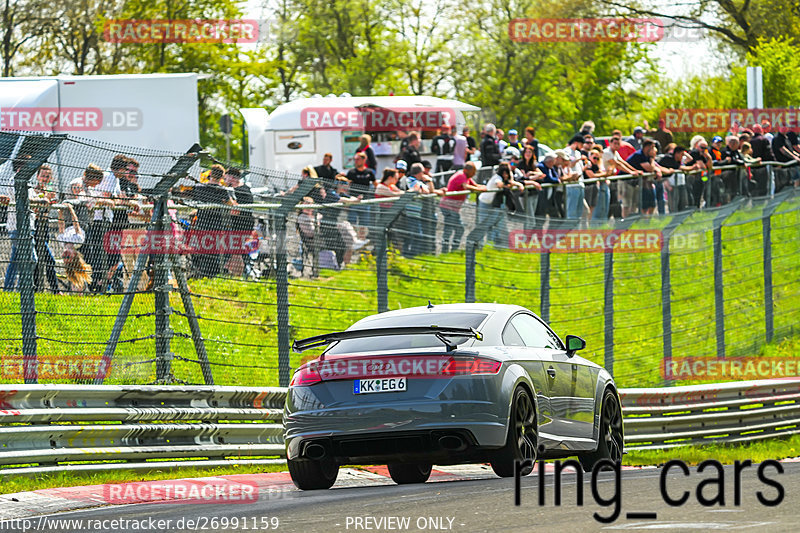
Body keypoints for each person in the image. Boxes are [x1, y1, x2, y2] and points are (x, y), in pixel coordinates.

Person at [191, 163, 235, 277]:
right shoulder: (222, 190)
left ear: (210, 174)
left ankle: (199, 273)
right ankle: (211, 275)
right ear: (222, 177)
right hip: (216, 224)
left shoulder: (199, 188)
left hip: (201, 223)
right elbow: (231, 205)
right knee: (213, 252)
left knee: (201, 250)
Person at [438, 162, 485, 253]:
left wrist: (485, 187)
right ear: (466, 170)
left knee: (456, 229)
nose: (474, 174)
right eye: (473, 172)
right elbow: (466, 186)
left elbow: (475, 185)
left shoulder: (467, 177)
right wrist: (481, 189)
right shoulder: (461, 175)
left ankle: (451, 250)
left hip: (453, 207)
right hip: (448, 206)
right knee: (452, 229)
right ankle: (446, 251)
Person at [478, 162, 523, 247]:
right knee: (483, 224)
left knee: (493, 223)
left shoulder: (504, 179)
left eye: (507, 172)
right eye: (504, 173)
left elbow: (511, 181)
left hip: (492, 203)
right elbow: (499, 184)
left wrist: (519, 184)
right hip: (485, 202)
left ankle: (490, 244)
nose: (506, 175)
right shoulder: (497, 178)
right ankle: (480, 244)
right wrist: (507, 185)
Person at [57, 203, 91, 294]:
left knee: (66, 202)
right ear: (75, 254)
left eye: (64, 258)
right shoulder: (78, 241)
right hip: (81, 221)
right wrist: (71, 210)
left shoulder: (61, 241)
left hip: (68, 223)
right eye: (68, 257)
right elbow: (76, 224)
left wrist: (60, 212)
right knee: (79, 202)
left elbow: (61, 225)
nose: (65, 256)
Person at [226, 167, 254, 277]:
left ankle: (247, 270)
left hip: (243, 225)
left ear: (232, 178)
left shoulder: (243, 190)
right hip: (234, 225)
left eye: (227, 176)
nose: (225, 178)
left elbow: (236, 211)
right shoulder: (230, 189)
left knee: (239, 248)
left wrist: (230, 202)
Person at [402, 162, 435, 257]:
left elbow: (430, 191)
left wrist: (429, 181)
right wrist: (424, 187)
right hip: (410, 212)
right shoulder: (410, 180)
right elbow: (425, 191)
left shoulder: (419, 182)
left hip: (416, 212)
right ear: (419, 173)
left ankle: (411, 255)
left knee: (415, 235)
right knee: (416, 235)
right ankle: (410, 255)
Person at [626, 139, 662, 215]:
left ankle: (648, 222)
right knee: (633, 205)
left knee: (652, 204)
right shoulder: (639, 155)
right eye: (652, 147)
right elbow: (650, 169)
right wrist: (652, 158)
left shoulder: (647, 156)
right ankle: (640, 221)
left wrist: (658, 170)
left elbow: (655, 167)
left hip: (643, 183)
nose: (654, 150)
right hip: (629, 182)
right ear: (647, 148)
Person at [345, 152, 376, 232]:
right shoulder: (351, 172)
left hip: (365, 202)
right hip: (353, 202)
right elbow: (346, 185)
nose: (356, 161)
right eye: (355, 160)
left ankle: (362, 240)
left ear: (364, 160)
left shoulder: (369, 172)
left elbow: (376, 184)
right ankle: (354, 240)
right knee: (352, 224)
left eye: (358, 159)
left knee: (364, 224)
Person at [296, 197, 321, 278]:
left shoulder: (314, 216)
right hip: (309, 241)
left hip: (317, 240)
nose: (309, 207)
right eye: (306, 204)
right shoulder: (303, 217)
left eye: (310, 204)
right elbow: (311, 233)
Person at [584, 148, 610, 222]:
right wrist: (605, 174)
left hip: (594, 187)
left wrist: (605, 173)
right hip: (588, 187)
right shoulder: (588, 163)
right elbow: (591, 175)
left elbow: (600, 172)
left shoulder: (595, 165)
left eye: (597, 158)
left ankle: (589, 225)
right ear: (590, 156)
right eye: (594, 158)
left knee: (592, 207)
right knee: (587, 208)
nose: (596, 160)